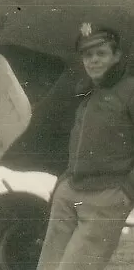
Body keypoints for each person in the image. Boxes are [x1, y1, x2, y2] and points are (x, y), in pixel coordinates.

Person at [37, 23, 134, 270]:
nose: (93, 61)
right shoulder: (88, 93)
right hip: (71, 192)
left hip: (106, 196)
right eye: (87, 55)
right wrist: (64, 184)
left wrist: (126, 191)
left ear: (117, 56)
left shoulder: (130, 91)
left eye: (101, 54)